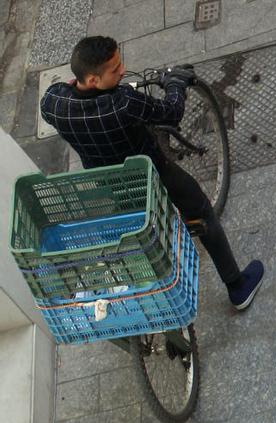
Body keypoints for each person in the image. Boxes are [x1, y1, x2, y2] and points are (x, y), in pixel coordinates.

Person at [40, 36, 263, 310]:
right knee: (202, 210)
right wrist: (175, 84)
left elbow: (63, 93)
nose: (122, 70)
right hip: (153, 173)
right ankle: (238, 287)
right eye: (114, 69)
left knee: (142, 232)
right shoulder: (122, 102)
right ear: (94, 80)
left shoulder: (54, 102)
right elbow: (170, 113)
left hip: (110, 184)